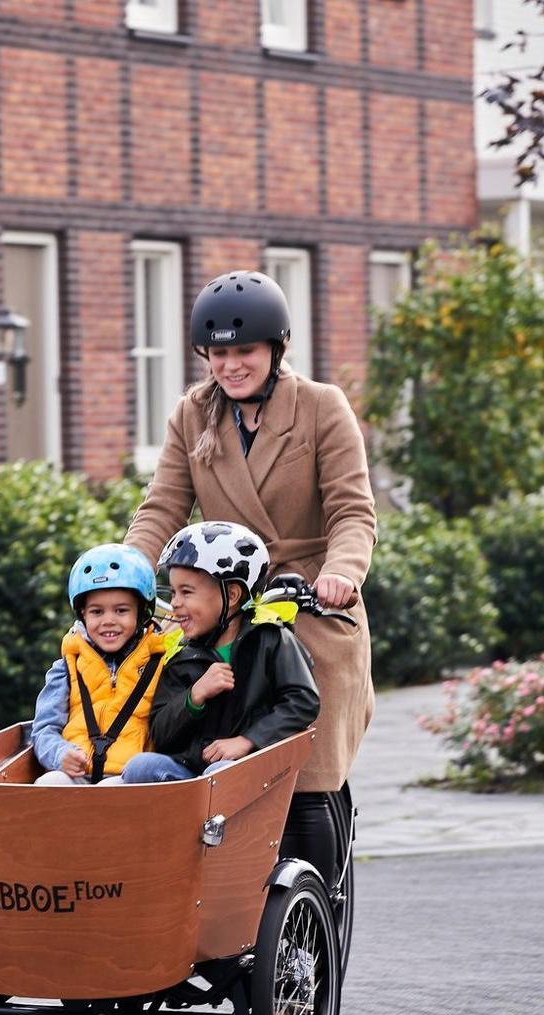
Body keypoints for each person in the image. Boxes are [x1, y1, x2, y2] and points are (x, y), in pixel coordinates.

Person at [125, 269, 377, 881]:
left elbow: (352, 511)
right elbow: (163, 507)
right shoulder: (193, 415)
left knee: (310, 763)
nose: (231, 365)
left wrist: (341, 573)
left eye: (245, 351)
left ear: (275, 348)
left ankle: (316, 904)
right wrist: (124, 575)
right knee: (183, 734)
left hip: (310, 601)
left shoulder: (321, 407)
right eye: (218, 354)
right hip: (226, 604)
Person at [120, 521, 319, 783]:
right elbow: (160, 733)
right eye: (174, 592)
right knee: (140, 766)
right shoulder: (180, 656)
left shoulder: (271, 640)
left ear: (232, 595)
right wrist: (193, 697)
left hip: (250, 766)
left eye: (186, 592)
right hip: (192, 771)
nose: (175, 603)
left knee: (221, 774)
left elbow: (303, 701)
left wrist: (248, 740)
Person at [31, 543, 167, 785]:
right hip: (78, 773)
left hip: (129, 780)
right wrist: (61, 754)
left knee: (109, 789)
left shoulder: (160, 663)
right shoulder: (67, 667)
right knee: (50, 783)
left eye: (121, 611)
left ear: (141, 613)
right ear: (83, 614)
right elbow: (44, 729)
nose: (108, 621)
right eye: (97, 612)